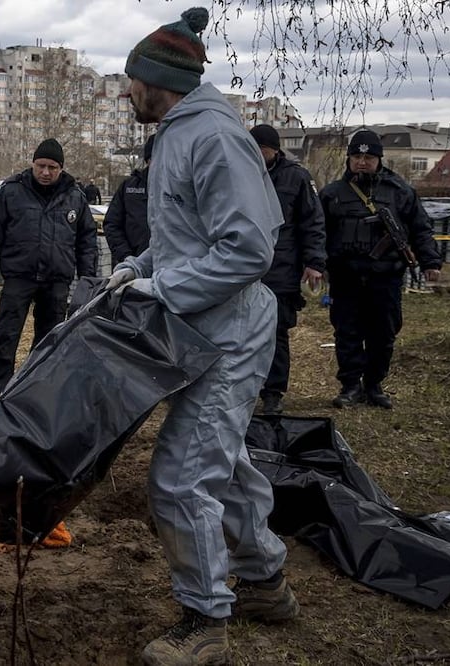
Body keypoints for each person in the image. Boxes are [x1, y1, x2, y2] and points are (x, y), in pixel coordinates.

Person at [110, 9, 299, 664]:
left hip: (229, 333)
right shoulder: (175, 133)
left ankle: (204, 623)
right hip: (199, 328)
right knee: (223, 461)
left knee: (181, 476)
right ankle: (264, 584)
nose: (125, 91)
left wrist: (159, 290)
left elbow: (247, 248)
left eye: (131, 80)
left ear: (158, 80)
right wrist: (137, 267)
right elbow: (184, 239)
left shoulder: (211, 137)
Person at [319, 129, 442, 410]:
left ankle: (374, 385)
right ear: (349, 158)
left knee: (383, 333)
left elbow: (421, 229)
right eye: (357, 156)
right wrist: (316, 264)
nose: (362, 162)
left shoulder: (400, 192)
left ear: (379, 159)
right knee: (347, 332)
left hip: (385, 277)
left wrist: (431, 261)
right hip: (346, 276)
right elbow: (317, 233)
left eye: (369, 157)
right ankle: (350, 386)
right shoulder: (332, 194)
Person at [0, 138, 97, 394]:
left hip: (56, 279)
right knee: (6, 332)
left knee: (49, 335)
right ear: (32, 164)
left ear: (61, 169)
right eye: (41, 165)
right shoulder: (12, 191)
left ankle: (39, 385)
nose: (45, 172)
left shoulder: (75, 197)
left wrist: (89, 280)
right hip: (20, 275)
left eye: (52, 167)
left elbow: (87, 240)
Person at [249, 124, 327, 415]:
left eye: (262, 150)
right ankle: (244, 387)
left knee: (275, 332)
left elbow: (313, 222)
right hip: (243, 269)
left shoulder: (296, 178)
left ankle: (273, 393)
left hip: (280, 269)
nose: (257, 155)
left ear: (274, 150)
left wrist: (314, 262)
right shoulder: (238, 174)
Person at [103, 134, 154, 269]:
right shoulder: (129, 187)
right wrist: (125, 256)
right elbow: (112, 224)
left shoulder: (181, 188)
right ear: (148, 160)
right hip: (131, 265)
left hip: (170, 269)